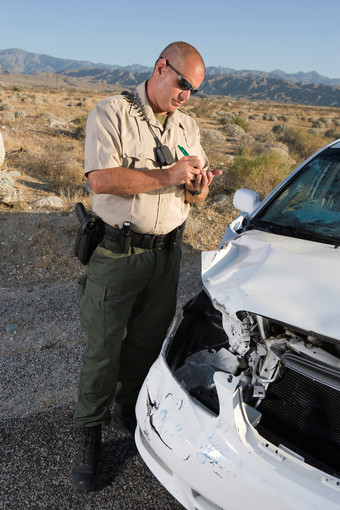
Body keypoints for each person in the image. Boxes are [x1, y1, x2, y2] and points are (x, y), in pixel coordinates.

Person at [72, 41, 222, 491]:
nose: (186, 95)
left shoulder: (187, 126)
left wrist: (198, 185)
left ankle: (127, 410)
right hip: (118, 252)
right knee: (103, 349)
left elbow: (195, 196)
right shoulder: (112, 112)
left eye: (194, 89)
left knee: (147, 341)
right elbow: (101, 179)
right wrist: (169, 176)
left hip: (166, 254)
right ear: (161, 68)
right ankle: (89, 433)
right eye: (182, 83)